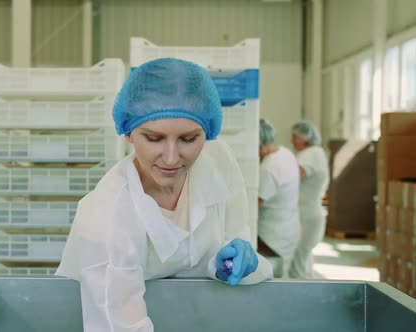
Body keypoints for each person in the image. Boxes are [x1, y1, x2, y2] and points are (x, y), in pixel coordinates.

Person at [56, 58, 273, 331]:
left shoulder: (218, 162)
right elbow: (120, 326)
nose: (171, 158)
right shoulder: (106, 214)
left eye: (189, 139)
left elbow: (225, 245)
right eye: (154, 138)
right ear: (128, 133)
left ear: (207, 131)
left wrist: (224, 263)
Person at [256, 119, 300, 278]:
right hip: (289, 227)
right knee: (285, 275)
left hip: (272, 235)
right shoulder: (285, 153)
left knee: (275, 279)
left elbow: (256, 204)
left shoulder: (269, 167)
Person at [289, 120, 329, 279]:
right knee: (303, 261)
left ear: (305, 138)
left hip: (308, 214)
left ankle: (300, 297)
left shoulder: (312, 153)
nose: (292, 140)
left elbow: (298, 172)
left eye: (295, 137)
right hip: (308, 213)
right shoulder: (311, 153)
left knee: (298, 260)